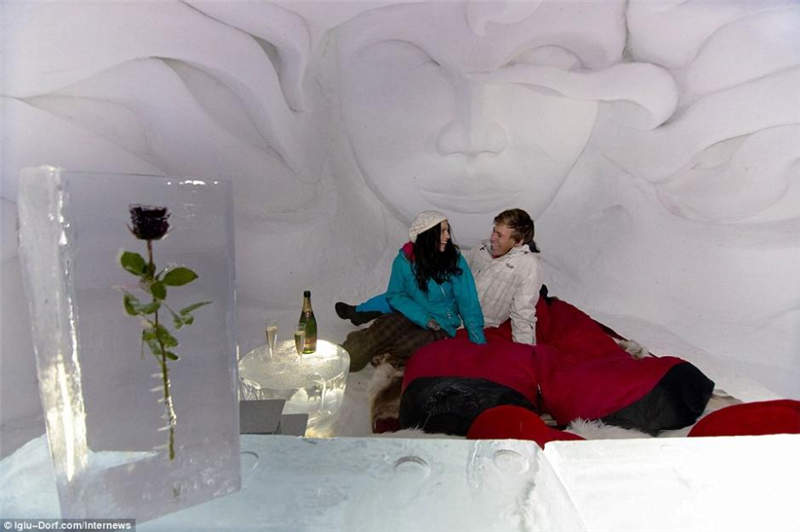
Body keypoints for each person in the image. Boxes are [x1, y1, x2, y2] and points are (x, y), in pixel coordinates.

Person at [336, 208, 542, 345]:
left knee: (411, 298)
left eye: (500, 235)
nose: (492, 238)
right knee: (408, 290)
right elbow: (459, 265)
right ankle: (360, 311)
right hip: (454, 301)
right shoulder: (482, 249)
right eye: (494, 231)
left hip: (470, 316)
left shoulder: (528, 267)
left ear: (518, 242)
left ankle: (363, 316)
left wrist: (525, 355)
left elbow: (523, 314)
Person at [342, 211, 486, 372]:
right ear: (426, 235)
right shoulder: (404, 261)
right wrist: (423, 318)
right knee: (382, 331)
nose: (447, 236)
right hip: (411, 312)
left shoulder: (454, 260)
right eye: (442, 231)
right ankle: (340, 360)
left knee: (408, 345)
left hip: (441, 323)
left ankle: (389, 357)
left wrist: (478, 342)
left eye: (447, 231)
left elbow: (468, 301)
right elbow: (395, 295)